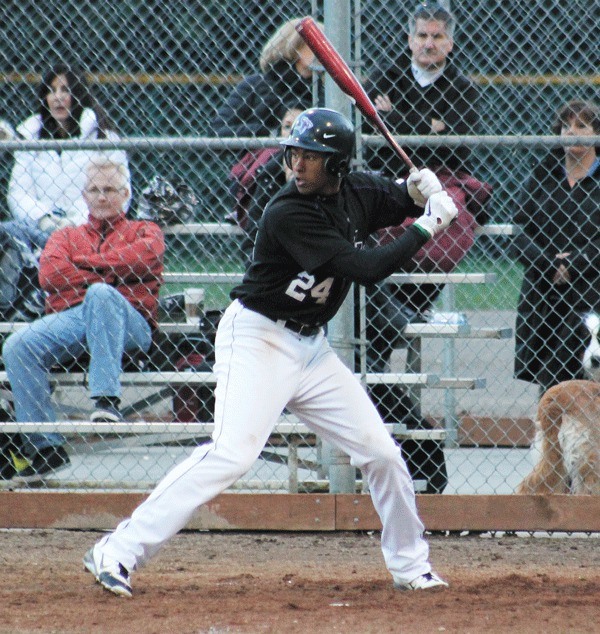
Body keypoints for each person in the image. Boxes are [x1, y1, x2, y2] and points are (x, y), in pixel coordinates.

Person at [83, 107, 456, 598]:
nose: (297, 165)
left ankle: (411, 565)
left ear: (337, 166)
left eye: (311, 158)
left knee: (382, 453)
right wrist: (428, 224)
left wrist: (416, 191)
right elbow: (366, 269)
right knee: (232, 455)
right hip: (258, 339)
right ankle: (118, 550)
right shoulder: (288, 211)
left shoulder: (357, 189)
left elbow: (391, 200)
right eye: (295, 154)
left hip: (312, 349)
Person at [361, 2, 492, 491]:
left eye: (438, 36)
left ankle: (400, 307)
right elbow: (377, 140)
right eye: (422, 35)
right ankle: (392, 308)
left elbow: (455, 148)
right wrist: (425, 130)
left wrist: (411, 127)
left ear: (450, 42)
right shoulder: (386, 73)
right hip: (397, 182)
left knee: (445, 211)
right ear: (410, 37)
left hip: (438, 184)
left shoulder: (461, 87)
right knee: (381, 207)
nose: (429, 43)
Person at [2, 158, 164, 483]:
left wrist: (86, 266)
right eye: (94, 190)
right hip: (75, 319)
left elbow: (144, 257)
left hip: (131, 322)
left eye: (109, 190)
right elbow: (50, 274)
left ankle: (106, 401)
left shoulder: (145, 230)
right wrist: (110, 272)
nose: (101, 197)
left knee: (102, 297)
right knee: (17, 346)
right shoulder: (65, 235)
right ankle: (46, 447)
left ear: (125, 194)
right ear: (84, 195)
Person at [512, 99, 600, 393]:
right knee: (551, 383)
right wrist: (550, 263)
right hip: (544, 285)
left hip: (591, 286)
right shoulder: (543, 174)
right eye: (566, 125)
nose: (571, 132)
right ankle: (549, 432)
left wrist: (574, 264)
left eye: (581, 125)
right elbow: (520, 231)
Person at [8, 62, 130, 233]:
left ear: (78, 94)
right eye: (52, 91)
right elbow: (18, 193)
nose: (58, 97)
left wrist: (74, 223)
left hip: (90, 229)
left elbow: (121, 192)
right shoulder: (30, 137)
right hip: (41, 229)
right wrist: (44, 220)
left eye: (65, 90)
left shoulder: (103, 138)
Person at [211, 18, 321, 138]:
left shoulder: (325, 90)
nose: (322, 51)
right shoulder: (256, 85)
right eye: (315, 44)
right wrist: (267, 134)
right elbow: (218, 131)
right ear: (295, 47)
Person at [228, 106, 302, 263]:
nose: (293, 133)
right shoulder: (271, 173)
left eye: (301, 127)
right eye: (287, 127)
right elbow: (251, 242)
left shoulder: (326, 179)